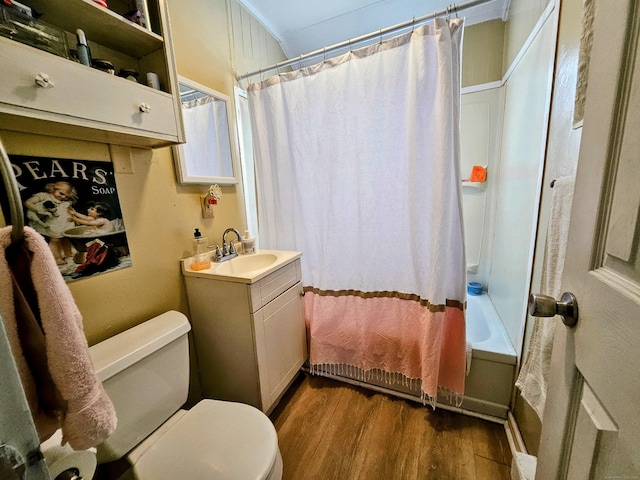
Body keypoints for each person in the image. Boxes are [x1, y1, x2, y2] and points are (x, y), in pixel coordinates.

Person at [24, 181, 78, 265]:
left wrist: (75, 218)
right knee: (55, 240)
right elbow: (28, 202)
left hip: (65, 224)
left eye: (66, 196)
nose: (63, 197)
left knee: (66, 238)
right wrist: (38, 211)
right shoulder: (44, 196)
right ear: (53, 189)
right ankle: (57, 258)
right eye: (61, 193)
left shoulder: (65, 201)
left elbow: (71, 210)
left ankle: (68, 253)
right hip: (52, 224)